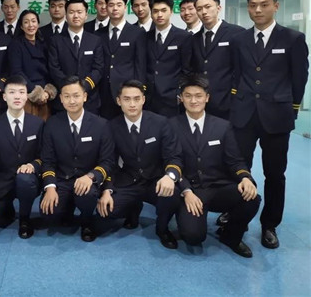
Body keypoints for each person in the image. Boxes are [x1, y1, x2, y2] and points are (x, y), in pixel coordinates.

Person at [229, 0, 309, 249]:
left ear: (276, 6)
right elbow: (236, 74)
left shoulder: (293, 39)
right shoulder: (239, 40)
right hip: (244, 115)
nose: (258, 10)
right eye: (253, 5)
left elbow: (299, 78)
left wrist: (292, 108)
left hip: (277, 115)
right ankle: (237, 215)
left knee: (275, 173)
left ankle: (270, 224)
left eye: (264, 5)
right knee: (239, 169)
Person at [170, 75, 260, 258]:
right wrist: (186, 191)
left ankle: (231, 236)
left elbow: (235, 160)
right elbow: (171, 161)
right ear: (181, 98)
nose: (193, 101)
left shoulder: (222, 126)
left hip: (218, 187)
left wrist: (245, 177)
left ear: (207, 97)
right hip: (191, 190)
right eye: (188, 96)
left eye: (198, 95)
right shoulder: (171, 126)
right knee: (193, 237)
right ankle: (184, 218)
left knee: (252, 198)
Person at [97, 80, 182, 249]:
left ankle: (163, 229)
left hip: (156, 180)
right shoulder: (111, 126)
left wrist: (170, 176)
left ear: (143, 99)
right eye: (127, 99)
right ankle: (133, 208)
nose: (132, 104)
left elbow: (174, 157)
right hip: (128, 180)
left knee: (172, 196)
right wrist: (107, 190)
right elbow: (109, 161)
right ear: (118, 101)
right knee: (107, 212)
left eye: (136, 99)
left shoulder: (161, 123)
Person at [40, 76, 112, 242]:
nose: (72, 101)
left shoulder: (101, 125)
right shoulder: (52, 124)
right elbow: (48, 161)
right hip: (62, 179)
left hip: (87, 180)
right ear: (61, 99)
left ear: (85, 97)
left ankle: (87, 221)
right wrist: (50, 187)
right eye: (67, 96)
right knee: (48, 214)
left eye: (76, 95)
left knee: (86, 194)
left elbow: (108, 162)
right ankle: (68, 207)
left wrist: (91, 176)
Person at [0, 76, 44, 238]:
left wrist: (33, 165)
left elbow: (44, 156)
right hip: (3, 182)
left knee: (25, 179)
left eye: (21, 92)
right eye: (12, 92)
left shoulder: (37, 124)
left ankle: (24, 218)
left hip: (28, 180)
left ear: (27, 96)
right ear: (4, 96)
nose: (17, 96)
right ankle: (6, 208)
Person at [191, 0, 244, 119]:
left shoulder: (237, 33)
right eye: (199, 9)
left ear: (218, 8)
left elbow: (242, 68)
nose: (204, 12)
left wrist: (235, 94)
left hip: (229, 101)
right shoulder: (193, 39)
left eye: (208, 7)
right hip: (201, 103)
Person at [48, 0, 104, 114]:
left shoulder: (95, 40)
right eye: (71, 12)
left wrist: (83, 87)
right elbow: (54, 68)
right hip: (64, 99)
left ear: (86, 15)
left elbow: (98, 68)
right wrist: (69, 88)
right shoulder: (55, 40)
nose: (76, 16)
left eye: (79, 12)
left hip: (89, 98)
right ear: (66, 15)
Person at [98, 0, 146, 120]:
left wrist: (139, 89)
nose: (115, 8)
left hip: (127, 90)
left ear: (125, 8)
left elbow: (140, 64)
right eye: (111, 5)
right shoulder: (98, 34)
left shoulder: (137, 32)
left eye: (119, 5)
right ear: (106, 7)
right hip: (103, 90)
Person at [145, 0, 192, 117]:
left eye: (163, 10)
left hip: (172, 97)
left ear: (171, 12)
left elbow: (187, 69)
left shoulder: (183, 37)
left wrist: (180, 91)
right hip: (148, 97)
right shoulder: (145, 37)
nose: (159, 15)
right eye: (155, 11)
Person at [8, 10, 57, 119]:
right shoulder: (16, 45)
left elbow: (50, 69)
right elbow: (16, 71)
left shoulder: (44, 43)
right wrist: (35, 91)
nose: (30, 25)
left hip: (45, 96)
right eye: (26, 22)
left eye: (33, 21)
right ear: (21, 26)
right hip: (26, 94)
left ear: (38, 24)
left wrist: (47, 92)